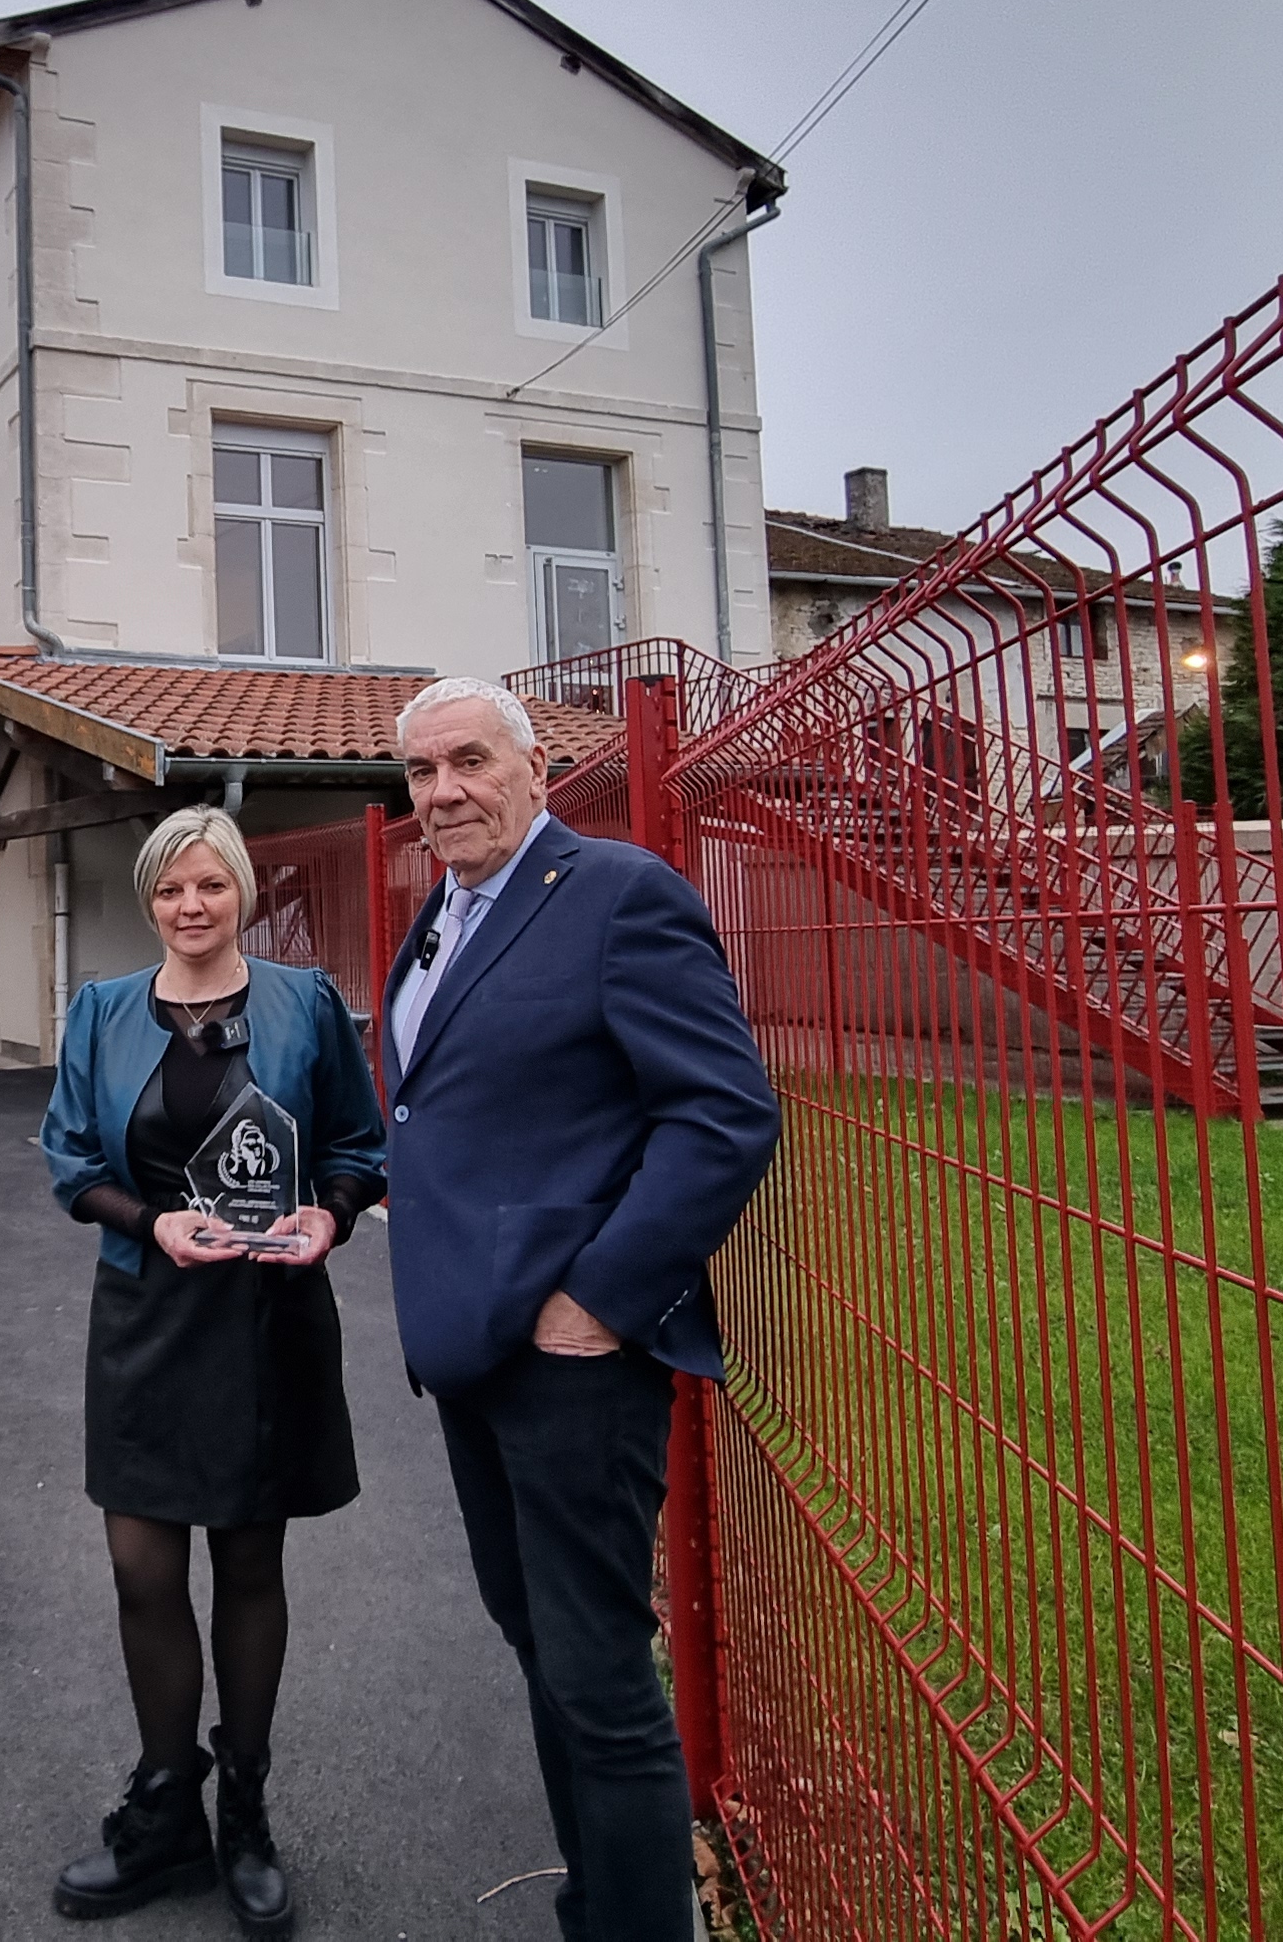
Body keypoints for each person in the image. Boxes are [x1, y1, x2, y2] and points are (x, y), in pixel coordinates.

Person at [377, 676, 779, 1942]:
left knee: (599, 1678)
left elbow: (724, 1116)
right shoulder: (443, 910)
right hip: (476, 1361)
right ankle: (596, 1907)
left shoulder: (617, 895)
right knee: (543, 1654)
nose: (443, 793)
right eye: (421, 774)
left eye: (469, 762)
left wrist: (600, 1301)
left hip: (572, 1368)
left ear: (538, 769)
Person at [40, 805, 388, 1939]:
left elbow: (355, 1144)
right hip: (146, 1310)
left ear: (241, 890)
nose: (191, 908)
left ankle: (245, 1812)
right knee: (143, 1566)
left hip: (265, 1319)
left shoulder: (306, 1002)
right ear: (151, 901)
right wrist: (151, 1221)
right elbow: (70, 1158)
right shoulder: (100, 1011)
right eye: (170, 891)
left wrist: (332, 1216)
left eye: (211, 886)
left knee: (247, 1559)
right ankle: (164, 1805)